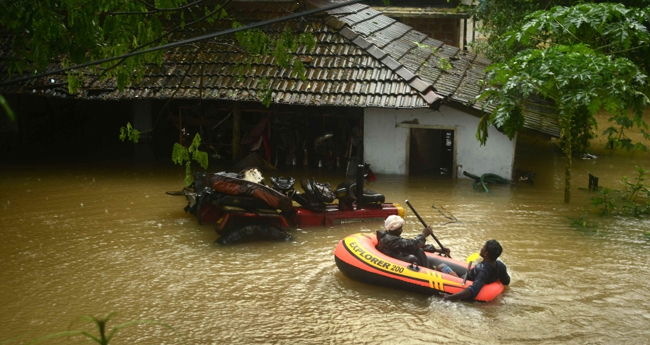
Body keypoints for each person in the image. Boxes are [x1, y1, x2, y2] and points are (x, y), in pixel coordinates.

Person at [442, 239, 510, 301]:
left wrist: (449, 297)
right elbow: (506, 281)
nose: (481, 248)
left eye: (483, 247)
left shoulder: (483, 271)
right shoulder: (500, 266)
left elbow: (473, 290)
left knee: (441, 266)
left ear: (486, 253)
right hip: (468, 276)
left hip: (462, 281)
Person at [376, 215, 450, 269]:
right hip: (393, 262)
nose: (402, 231)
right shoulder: (389, 239)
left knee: (419, 250)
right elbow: (411, 244)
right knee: (411, 258)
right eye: (399, 229)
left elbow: (410, 245)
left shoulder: (393, 236)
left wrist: (436, 249)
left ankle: (430, 270)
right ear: (392, 229)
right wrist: (423, 235)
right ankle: (428, 272)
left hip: (397, 255)